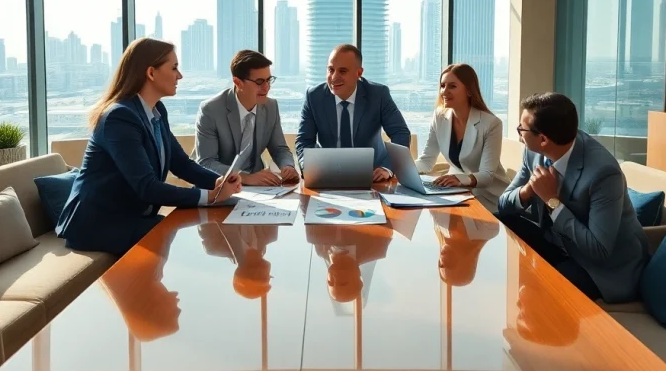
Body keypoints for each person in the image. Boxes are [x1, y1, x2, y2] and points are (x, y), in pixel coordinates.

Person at [57, 39, 241, 256]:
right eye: (174, 68)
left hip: (130, 216)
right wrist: (210, 197)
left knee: (201, 222)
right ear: (151, 73)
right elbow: (147, 187)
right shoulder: (119, 117)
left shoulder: (157, 111)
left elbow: (181, 164)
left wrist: (217, 182)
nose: (179, 76)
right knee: (181, 240)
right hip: (97, 225)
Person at [497, 92, 649, 303]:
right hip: (556, 244)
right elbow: (503, 204)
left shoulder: (603, 173)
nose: (519, 135)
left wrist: (552, 202)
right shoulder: (533, 152)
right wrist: (528, 190)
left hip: (597, 267)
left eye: (521, 130)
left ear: (543, 139)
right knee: (500, 221)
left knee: (544, 292)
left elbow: (599, 249)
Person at [296, 44, 411, 182]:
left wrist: (387, 168)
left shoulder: (378, 95)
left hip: (374, 176)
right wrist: (309, 168)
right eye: (331, 70)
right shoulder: (314, 96)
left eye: (342, 71)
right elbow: (304, 141)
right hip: (327, 175)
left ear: (359, 73)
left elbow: (401, 133)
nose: (334, 77)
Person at [193, 50, 299, 186]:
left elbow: (279, 149)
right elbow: (206, 163)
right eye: (259, 82)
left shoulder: (271, 106)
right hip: (220, 186)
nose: (266, 87)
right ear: (238, 82)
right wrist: (245, 178)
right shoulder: (210, 110)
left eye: (268, 80)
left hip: (259, 188)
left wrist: (287, 166)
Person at [415, 63, 509, 212]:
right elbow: (426, 161)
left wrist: (460, 179)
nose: (444, 92)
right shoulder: (439, 117)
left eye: (452, 86)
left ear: (469, 91)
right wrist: (398, 170)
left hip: (489, 199)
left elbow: (486, 175)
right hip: (458, 195)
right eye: (442, 86)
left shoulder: (491, 124)